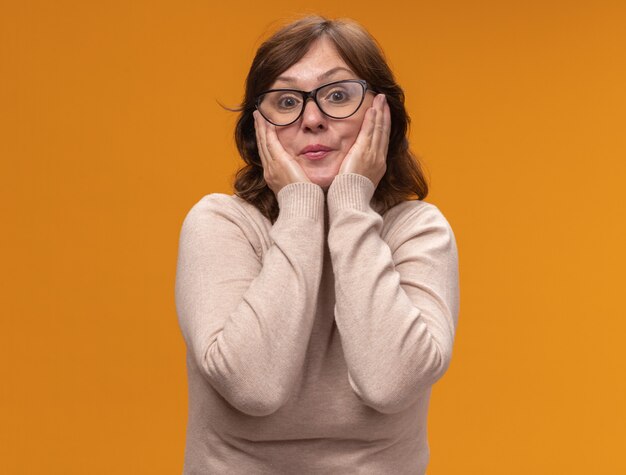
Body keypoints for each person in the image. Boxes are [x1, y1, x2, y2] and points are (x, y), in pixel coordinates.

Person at [175, 15, 460, 475]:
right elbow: (254, 386)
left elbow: (390, 384)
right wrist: (301, 206)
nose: (311, 119)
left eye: (338, 95)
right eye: (286, 101)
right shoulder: (220, 224)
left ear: (381, 113)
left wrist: (350, 205)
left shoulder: (418, 231)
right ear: (258, 128)